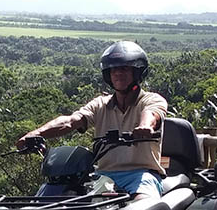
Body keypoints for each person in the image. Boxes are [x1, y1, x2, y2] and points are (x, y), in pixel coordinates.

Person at [16, 41, 168, 198]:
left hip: (140, 175)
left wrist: (145, 127)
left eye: (124, 69)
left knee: (143, 207)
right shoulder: (101, 104)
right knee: (65, 202)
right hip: (103, 176)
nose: (118, 73)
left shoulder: (151, 100)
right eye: (113, 70)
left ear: (138, 72)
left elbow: (151, 113)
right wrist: (36, 134)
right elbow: (70, 121)